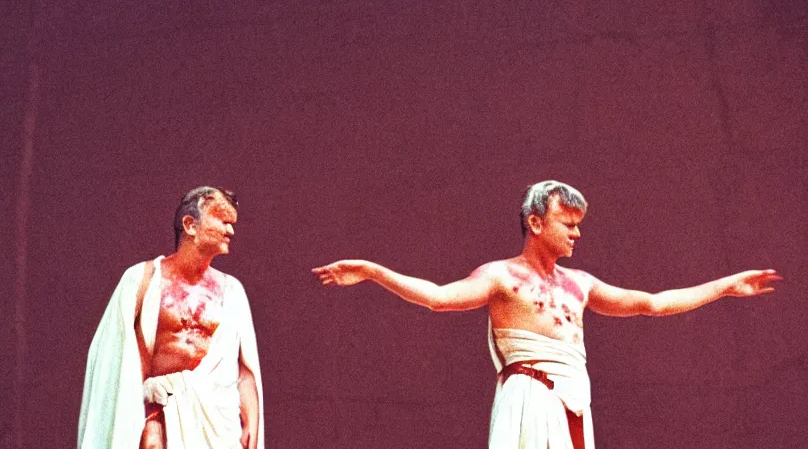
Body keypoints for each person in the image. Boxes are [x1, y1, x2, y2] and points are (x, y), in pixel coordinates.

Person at [312, 180, 779, 449]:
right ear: (536, 223)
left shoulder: (581, 284)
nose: (576, 235)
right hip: (530, 396)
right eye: (567, 224)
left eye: (579, 226)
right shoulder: (501, 277)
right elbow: (437, 296)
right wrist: (373, 272)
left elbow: (651, 303)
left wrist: (725, 287)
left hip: (575, 399)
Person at [79, 187, 263, 449]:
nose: (230, 230)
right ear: (190, 225)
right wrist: (147, 418)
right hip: (159, 414)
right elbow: (121, 359)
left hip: (219, 425)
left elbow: (244, 368)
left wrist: (251, 424)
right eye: (223, 220)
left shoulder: (231, 292)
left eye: (232, 224)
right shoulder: (143, 280)